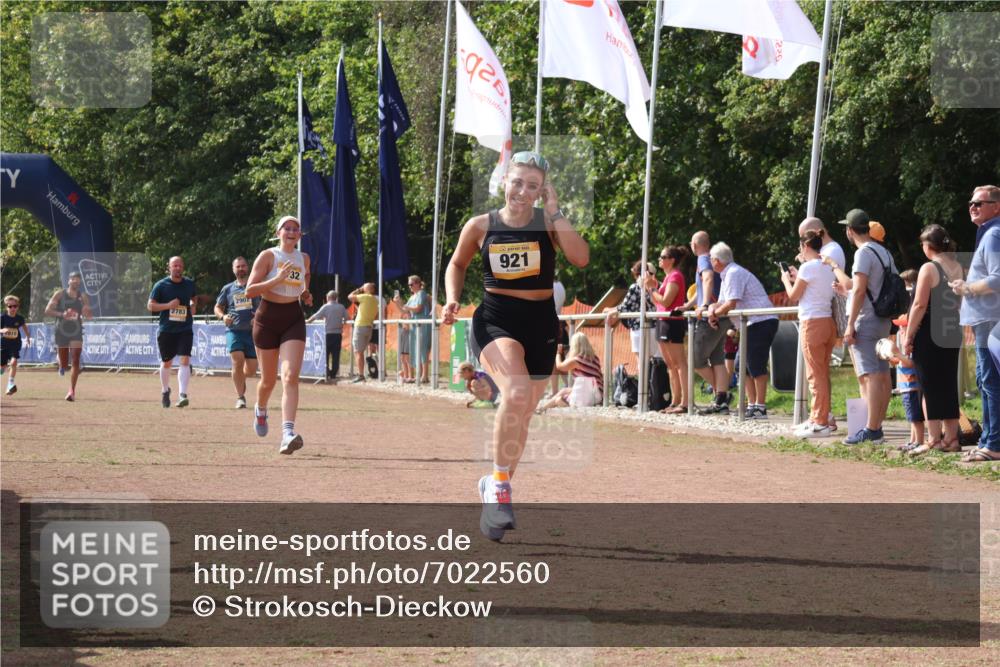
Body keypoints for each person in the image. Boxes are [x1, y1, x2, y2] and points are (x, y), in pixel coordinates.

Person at [442, 150, 588, 541]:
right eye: (518, 182)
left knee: (523, 413)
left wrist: (556, 212)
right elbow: (456, 264)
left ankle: (494, 485)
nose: (523, 191)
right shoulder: (480, 225)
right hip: (496, 318)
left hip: (541, 322)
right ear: (504, 181)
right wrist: (452, 297)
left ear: (543, 191)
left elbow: (581, 258)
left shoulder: (548, 224)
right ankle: (501, 487)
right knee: (518, 392)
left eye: (533, 186)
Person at [245, 215, 313, 454]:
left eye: (296, 229)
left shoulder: (303, 258)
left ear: (300, 235)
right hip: (267, 319)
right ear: (278, 232)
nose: (292, 232)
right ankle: (260, 409)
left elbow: (304, 286)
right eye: (287, 228)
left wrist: (306, 295)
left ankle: (287, 434)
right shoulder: (268, 256)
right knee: (268, 381)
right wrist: (277, 279)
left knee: (290, 376)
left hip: (293, 318)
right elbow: (249, 291)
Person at [829, 208, 897, 445]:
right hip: (882, 318)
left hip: (865, 320)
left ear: (849, 230)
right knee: (882, 374)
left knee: (871, 375)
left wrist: (849, 324)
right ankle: (876, 426)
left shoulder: (863, 254)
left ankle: (872, 429)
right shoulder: (884, 252)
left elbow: (859, 289)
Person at [902, 225, 964, 455]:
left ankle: (933, 439)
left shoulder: (929, 268)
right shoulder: (957, 267)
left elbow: (919, 305)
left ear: (929, 246)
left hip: (929, 331)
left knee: (928, 385)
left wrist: (909, 335)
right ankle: (952, 439)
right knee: (948, 384)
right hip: (951, 329)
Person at [950, 185, 1000, 462]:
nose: (973, 207)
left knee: (990, 382)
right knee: (985, 380)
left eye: (980, 203)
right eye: (971, 203)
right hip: (987, 319)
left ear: (996, 206)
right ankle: (988, 439)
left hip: (989, 320)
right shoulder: (989, 233)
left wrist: (967, 289)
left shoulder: (993, 234)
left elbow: (997, 279)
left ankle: (993, 443)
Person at [707, 242, 778, 419]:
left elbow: (731, 303)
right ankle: (752, 404)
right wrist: (711, 311)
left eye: (711, 259)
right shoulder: (726, 275)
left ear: (717, 260)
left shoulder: (733, 273)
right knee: (740, 365)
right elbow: (721, 303)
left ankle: (760, 407)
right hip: (749, 324)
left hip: (760, 321)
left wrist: (714, 314)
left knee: (755, 364)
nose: (709, 261)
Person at [781, 230, 837, 437]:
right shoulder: (826, 265)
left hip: (812, 323)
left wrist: (786, 279)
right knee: (822, 373)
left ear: (805, 247)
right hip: (827, 321)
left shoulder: (807, 267)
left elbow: (794, 295)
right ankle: (819, 417)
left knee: (815, 375)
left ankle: (820, 421)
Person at [689, 231, 732, 414]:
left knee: (696, 359)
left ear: (694, 245)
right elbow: (702, 286)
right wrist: (689, 305)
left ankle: (723, 395)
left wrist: (705, 305)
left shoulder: (703, 259)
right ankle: (721, 399)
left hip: (711, 316)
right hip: (723, 315)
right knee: (717, 359)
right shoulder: (711, 259)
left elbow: (707, 279)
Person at [147, 257, 197, 408]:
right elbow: (150, 306)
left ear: (183, 267)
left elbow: (194, 296)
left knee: (185, 359)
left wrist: (193, 305)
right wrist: (168, 305)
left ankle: (182, 394)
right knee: (167, 362)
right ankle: (165, 390)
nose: (177, 268)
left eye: (180, 265)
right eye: (174, 265)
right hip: (167, 330)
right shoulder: (161, 285)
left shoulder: (189, 284)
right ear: (169, 268)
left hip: (185, 328)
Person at [647, 245, 689, 413]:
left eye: (663, 257)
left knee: (679, 364)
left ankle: (684, 403)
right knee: (670, 365)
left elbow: (665, 301)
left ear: (672, 260)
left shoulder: (676, 276)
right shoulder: (667, 277)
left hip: (672, 322)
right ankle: (675, 400)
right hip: (663, 321)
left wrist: (652, 288)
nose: (660, 260)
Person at [215, 256, 260, 408]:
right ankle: (240, 397)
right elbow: (217, 307)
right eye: (238, 266)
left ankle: (240, 379)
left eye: (243, 266)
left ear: (248, 268)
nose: (241, 268)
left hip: (252, 333)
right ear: (233, 270)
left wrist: (258, 317)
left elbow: (265, 305)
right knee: (237, 361)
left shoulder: (255, 286)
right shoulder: (227, 288)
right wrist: (223, 316)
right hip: (233, 331)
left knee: (252, 370)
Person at [604, 260, 659, 374]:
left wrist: (610, 310)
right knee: (653, 364)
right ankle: (654, 389)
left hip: (638, 329)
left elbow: (624, 307)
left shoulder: (635, 287)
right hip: (655, 328)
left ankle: (643, 391)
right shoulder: (657, 286)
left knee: (641, 364)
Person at [46, 270, 92, 402]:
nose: (76, 281)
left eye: (78, 279)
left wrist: (87, 312)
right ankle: (60, 362)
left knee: (76, 357)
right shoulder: (60, 294)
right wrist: (62, 314)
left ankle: (71, 391)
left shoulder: (82, 296)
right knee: (65, 364)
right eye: (73, 279)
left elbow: (88, 314)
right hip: (61, 330)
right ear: (69, 281)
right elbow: (47, 310)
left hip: (76, 330)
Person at [879, 324, 926, 452]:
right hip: (906, 388)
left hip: (912, 388)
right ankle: (913, 440)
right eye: (900, 328)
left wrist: (897, 353)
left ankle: (919, 441)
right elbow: (901, 361)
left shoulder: (912, 347)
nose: (900, 331)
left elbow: (910, 363)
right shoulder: (905, 348)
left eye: (903, 328)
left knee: (916, 418)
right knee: (912, 418)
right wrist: (890, 356)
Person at [537, 331, 603, 412]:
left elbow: (559, 366)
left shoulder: (577, 360)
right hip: (597, 394)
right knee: (563, 390)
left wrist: (558, 353)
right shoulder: (595, 358)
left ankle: (543, 409)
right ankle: (542, 408)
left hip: (585, 396)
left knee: (558, 400)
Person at [394, 275, 431, 384]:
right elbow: (405, 312)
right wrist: (398, 303)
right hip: (414, 325)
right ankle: (419, 374)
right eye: (409, 285)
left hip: (423, 324)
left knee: (423, 349)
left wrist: (406, 307)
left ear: (418, 283)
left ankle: (425, 375)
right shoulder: (412, 297)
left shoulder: (422, 294)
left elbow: (418, 308)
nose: (410, 287)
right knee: (416, 350)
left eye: (411, 284)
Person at [306, 290, 348, 381]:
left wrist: (307, 321)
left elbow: (315, 316)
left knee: (325, 354)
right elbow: (347, 318)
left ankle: (327, 372)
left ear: (327, 297)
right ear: (336, 298)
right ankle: (333, 374)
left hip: (327, 334)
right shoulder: (341, 307)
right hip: (338, 334)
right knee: (336, 355)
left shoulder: (325, 307)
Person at [348, 283, 378, 383]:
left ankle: (361, 375)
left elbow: (350, 297)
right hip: (369, 327)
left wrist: (358, 289)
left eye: (364, 286)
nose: (363, 287)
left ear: (369, 289)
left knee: (358, 352)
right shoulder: (374, 300)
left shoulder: (365, 297)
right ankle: (362, 373)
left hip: (360, 326)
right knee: (361, 352)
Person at [1, 295, 31, 395]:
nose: (13, 308)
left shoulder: (20, 318)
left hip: (15, 344)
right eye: (10, 306)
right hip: (3, 345)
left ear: (18, 306)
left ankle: (10, 385)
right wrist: (1, 330)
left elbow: (24, 327)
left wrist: (28, 337)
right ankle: (2, 368)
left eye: (15, 306)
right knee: (2, 367)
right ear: (6, 307)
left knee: (14, 362)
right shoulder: (2, 318)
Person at [550, 276, 569, 396]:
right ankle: (568, 386)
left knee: (553, 360)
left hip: (550, 324)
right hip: (560, 323)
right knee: (560, 358)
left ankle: (555, 391)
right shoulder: (560, 285)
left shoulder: (546, 285)